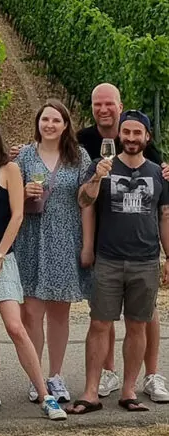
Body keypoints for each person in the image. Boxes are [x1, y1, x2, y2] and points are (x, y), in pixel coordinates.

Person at [0, 114, 67, 423]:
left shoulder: (9, 169)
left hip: (1, 258)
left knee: (15, 326)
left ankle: (45, 394)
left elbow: (17, 216)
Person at [70, 110, 169, 415]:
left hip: (146, 261)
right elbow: (84, 201)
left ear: (146, 137)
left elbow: (165, 216)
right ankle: (90, 391)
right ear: (118, 137)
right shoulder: (103, 168)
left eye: (137, 133)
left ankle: (128, 390)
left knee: (137, 326)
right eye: (126, 132)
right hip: (109, 260)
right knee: (99, 324)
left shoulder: (158, 173)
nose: (131, 138)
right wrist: (98, 177)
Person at [14, 100, 93, 403]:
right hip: (31, 239)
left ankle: (56, 375)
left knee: (60, 312)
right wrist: (23, 192)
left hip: (64, 238)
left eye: (55, 120)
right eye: (45, 119)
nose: (49, 125)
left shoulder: (79, 157)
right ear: (38, 123)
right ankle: (36, 379)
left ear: (65, 125)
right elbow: (10, 196)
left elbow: (86, 202)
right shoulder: (24, 156)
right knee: (31, 314)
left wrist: (87, 244)